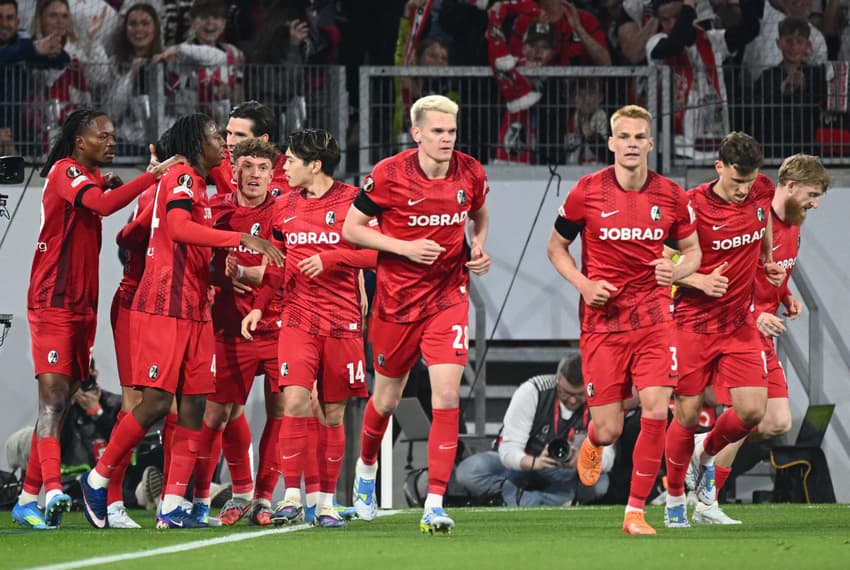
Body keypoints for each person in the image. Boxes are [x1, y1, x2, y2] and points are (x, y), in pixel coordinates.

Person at [79, 113, 283, 530]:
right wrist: (239, 238)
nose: (222, 144)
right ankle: (97, 480)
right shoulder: (182, 176)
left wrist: (221, 275)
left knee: (194, 406)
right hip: (165, 306)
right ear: (195, 143)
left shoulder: (201, 188)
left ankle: (173, 506)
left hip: (196, 308)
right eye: (214, 136)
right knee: (155, 402)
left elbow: (181, 247)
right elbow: (176, 227)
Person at [11, 108, 182, 531]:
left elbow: (98, 199)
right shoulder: (64, 171)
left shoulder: (86, 177)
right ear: (79, 141)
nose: (111, 141)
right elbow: (102, 206)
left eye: (113, 135)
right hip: (52, 302)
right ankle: (54, 491)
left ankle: (27, 498)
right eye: (102, 136)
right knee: (53, 401)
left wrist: (108, 183)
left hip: (82, 307)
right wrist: (152, 176)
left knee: (65, 398)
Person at [546, 104, 701, 535]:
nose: (632, 144)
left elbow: (693, 253)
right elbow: (556, 247)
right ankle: (594, 441)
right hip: (603, 323)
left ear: (650, 143)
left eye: (639, 137)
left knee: (656, 409)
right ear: (611, 142)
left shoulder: (672, 195)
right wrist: (582, 284)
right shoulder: (586, 191)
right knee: (610, 428)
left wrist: (677, 271)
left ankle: (635, 512)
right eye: (624, 137)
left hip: (655, 317)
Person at [342, 94, 491, 534]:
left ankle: (435, 504)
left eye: (452, 131)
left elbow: (480, 215)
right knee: (386, 400)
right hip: (397, 303)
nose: (447, 139)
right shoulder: (389, 174)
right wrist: (404, 247)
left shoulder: (470, 171)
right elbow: (351, 229)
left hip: (448, 297)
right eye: (438, 131)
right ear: (417, 133)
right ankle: (365, 471)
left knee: (446, 397)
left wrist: (478, 247)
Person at [685, 153, 830, 524]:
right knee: (748, 417)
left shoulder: (793, 224)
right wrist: (755, 314)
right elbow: (729, 279)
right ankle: (707, 501)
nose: (815, 204)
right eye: (812, 195)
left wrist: (786, 296)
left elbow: (772, 274)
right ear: (790, 186)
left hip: (761, 329)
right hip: (735, 328)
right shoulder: (751, 221)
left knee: (776, 422)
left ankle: (703, 446)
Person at [241, 128, 374, 529]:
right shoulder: (282, 206)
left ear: (315, 165)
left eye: (292, 161)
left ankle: (326, 504)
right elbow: (278, 265)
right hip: (297, 319)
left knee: (332, 413)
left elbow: (379, 253)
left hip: (342, 322)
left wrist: (333, 259)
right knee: (294, 402)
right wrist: (259, 307)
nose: (284, 167)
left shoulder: (354, 201)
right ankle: (292, 497)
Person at [663, 132, 786, 529]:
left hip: (738, 324)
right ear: (718, 167)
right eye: (736, 181)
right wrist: (698, 280)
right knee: (686, 415)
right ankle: (675, 501)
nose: (743, 190)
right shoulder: (691, 205)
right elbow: (662, 261)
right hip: (693, 323)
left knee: (752, 412)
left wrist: (767, 260)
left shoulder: (761, 189)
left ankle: (705, 451)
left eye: (748, 181)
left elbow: (763, 222)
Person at [190, 137, 286, 527]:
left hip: (278, 326)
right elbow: (199, 265)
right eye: (247, 166)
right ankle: (224, 495)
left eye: (263, 168)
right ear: (234, 171)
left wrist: (244, 273)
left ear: (272, 175)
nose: (255, 175)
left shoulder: (284, 211)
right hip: (229, 327)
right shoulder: (215, 211)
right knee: (218, 413)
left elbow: (282, 270)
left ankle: (264, 498)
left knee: (281, 411)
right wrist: (219, 276)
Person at [455, 353, 613, 506]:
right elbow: (508, 449)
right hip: (523, 464)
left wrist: (582, 459)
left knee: (599, 483)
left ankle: (519, 500)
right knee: (469, 471)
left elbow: (608, 457)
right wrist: (534, 462)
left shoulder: (599, 399)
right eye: (566, 393)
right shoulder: (534, 390)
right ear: (558, 380)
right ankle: (554, 501)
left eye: (579, 394)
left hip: (566, 471)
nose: (572, 400)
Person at [0, 0, 69, 155]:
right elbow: (8, 54)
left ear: (17, 22)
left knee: (16, 76)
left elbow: (63, 59)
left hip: (20, 131)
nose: (4, 23)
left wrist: (50, 48)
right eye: (0, 17)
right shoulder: (28, 47)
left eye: (9, 18)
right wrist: (33, 50)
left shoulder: (24, 41)